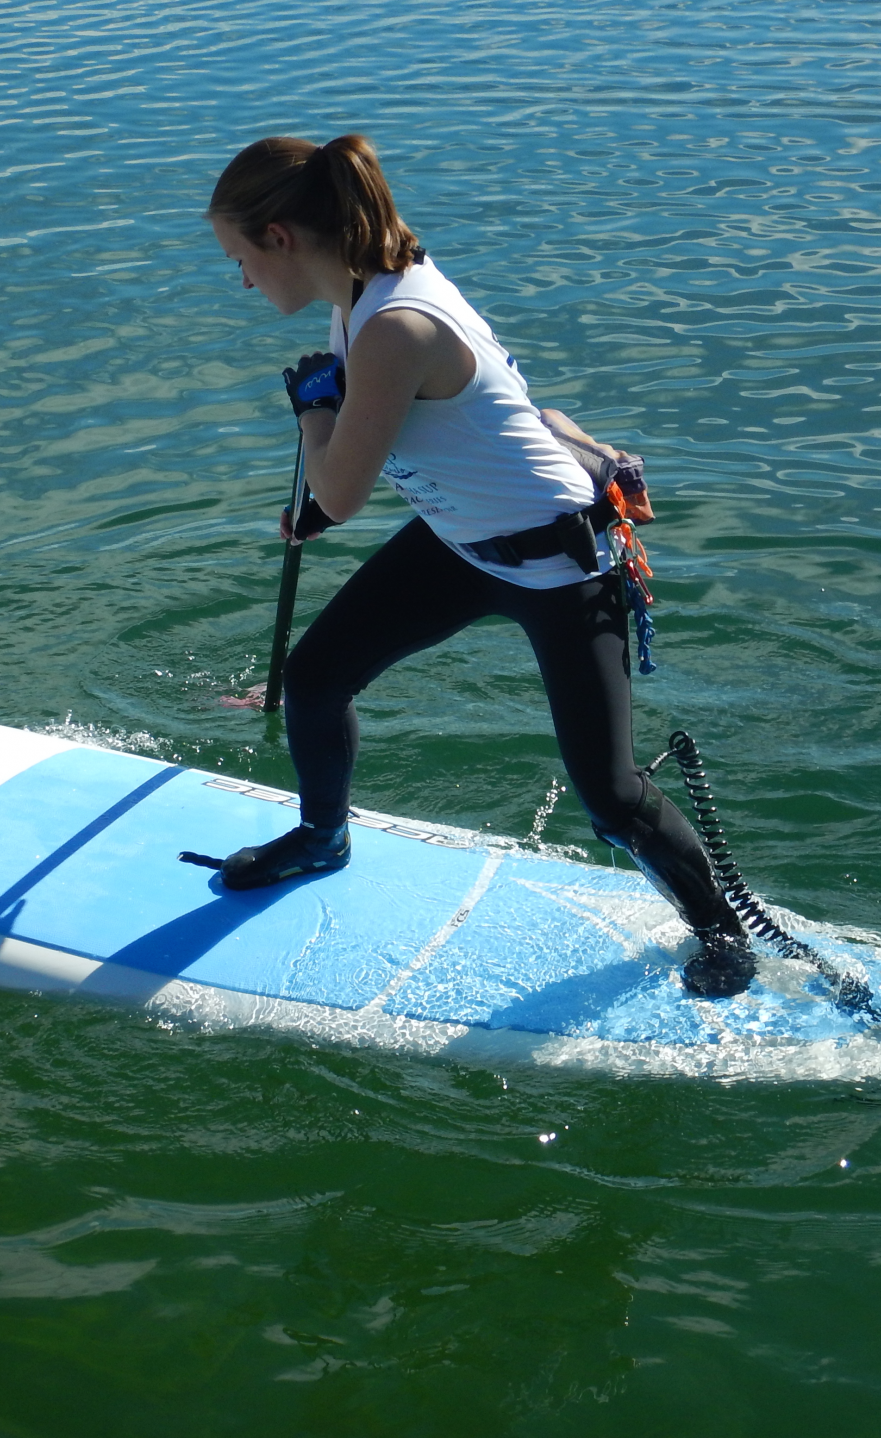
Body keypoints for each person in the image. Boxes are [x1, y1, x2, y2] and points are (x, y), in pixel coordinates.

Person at [206, 133, 754, 998]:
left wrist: (316, 410)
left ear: (280, 237)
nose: (240, 279)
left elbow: (344, 491)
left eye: (238, 258)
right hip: (461, 541)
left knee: (610, 798)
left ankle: (726, 936)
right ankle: (322, 838)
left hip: (560, 562)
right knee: (315, 677)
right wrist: (321, 471)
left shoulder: (394, 323)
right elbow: (384, 456)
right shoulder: (360, 291)